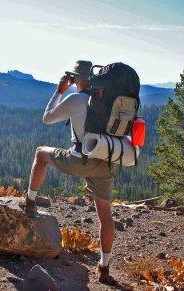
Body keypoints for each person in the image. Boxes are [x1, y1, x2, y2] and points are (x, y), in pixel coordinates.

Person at [25, 61, 116, 285]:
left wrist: (59, 91)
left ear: (77, 79)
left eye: (74, 78)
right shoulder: (107, 99)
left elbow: (47, 118)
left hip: (80, 159)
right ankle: (104, 267)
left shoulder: (76, 98)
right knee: (105, 215)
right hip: (104, 161)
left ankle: (29, 201)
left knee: (40, 154)